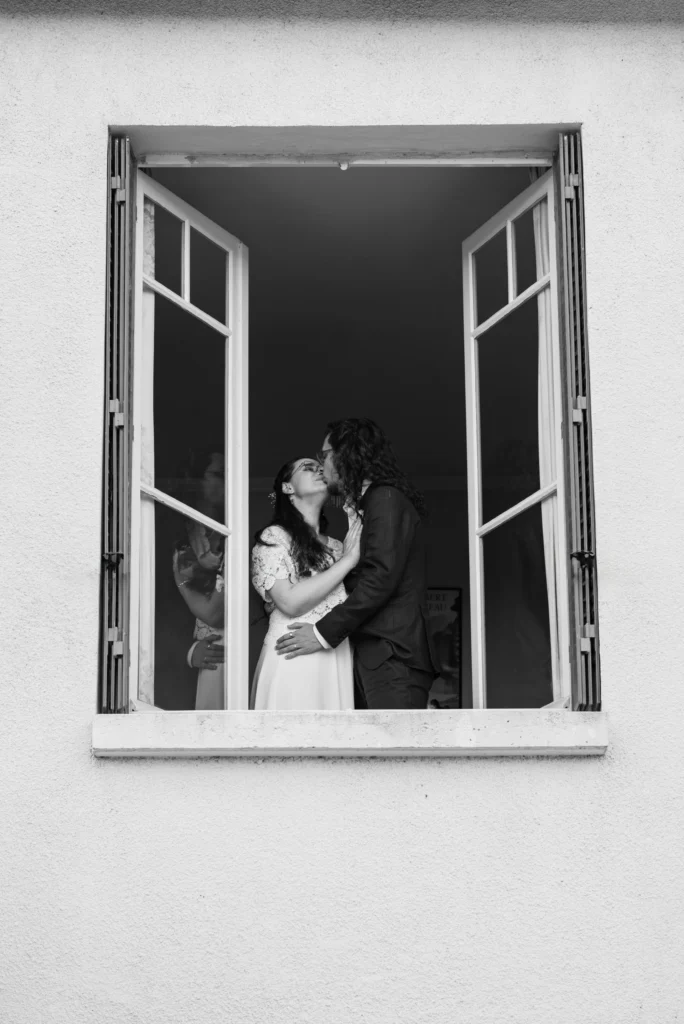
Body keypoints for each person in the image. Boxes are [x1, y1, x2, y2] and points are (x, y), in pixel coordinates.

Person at [275, 419, 437, 709]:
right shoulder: (369, 505)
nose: (321, 465)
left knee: (392, 753)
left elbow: (379, 579)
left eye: (324, 456)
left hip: (392, 657)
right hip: (377, 658)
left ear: (347, 455)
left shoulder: (385, 499)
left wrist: (321, 633)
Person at [251, 456, 361, 710]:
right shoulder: (274, 537)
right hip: (292, 655)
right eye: (307, 467)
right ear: (288, 488)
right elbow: (289, 602)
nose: (318, 470)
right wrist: (348, 561)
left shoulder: (337, 545)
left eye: (321, 467)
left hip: (335, 655)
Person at [172, 447, 227, 710]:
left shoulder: (242, 530)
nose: (228, 480)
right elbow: (148, 603)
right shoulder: (171, 534)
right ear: (196, 481)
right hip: (202, 658)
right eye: (218, 474)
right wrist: (190, 650)